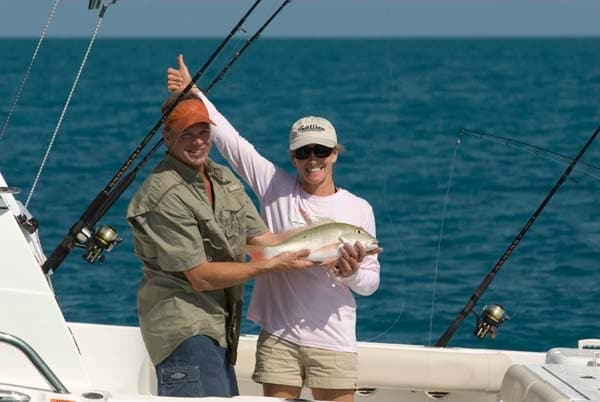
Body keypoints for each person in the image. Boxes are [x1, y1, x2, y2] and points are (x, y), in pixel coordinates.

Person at [167, 54, 383, 402]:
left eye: (321, 150)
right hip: (279, 338)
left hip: (334, 341)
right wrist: (194, 92)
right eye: (303, 152)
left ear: (335, 154)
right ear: (292, 156)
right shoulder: (273, 185)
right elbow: (232, 142)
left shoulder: (358, 209)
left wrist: (351, 273)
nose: (313, 159)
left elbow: (370, 284)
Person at [126, 91, 320, 398]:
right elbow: (200, 276)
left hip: (220, 326)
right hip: (183, 328)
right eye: (185, 134)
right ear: (167, 136)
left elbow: (265, 240)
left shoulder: (222, 178)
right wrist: (268, 265)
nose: (198, 141)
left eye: (204, 132)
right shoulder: (163, 194)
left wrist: (326, 239)